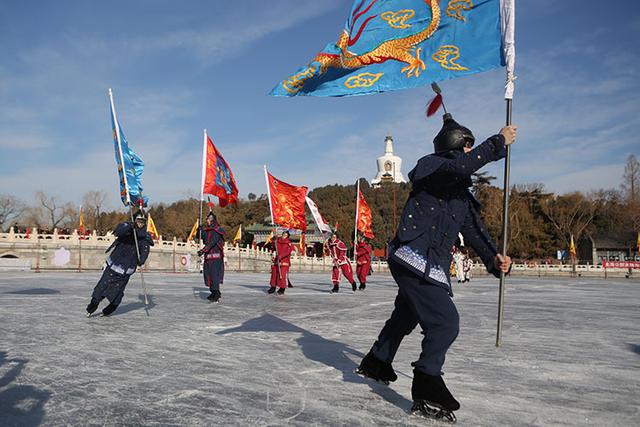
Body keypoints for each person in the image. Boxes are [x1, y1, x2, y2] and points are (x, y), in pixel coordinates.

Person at [356, 112, 515, 422]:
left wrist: (494, 258)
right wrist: (497, 143)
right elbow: (459, 166)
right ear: (453, 146)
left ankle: (378, 360)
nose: (470, 153)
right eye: (468, 147)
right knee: (444, 323)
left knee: (406, 314)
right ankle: (428, 384)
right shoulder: (432, 167)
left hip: (433, 262)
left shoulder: (461, 196)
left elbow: (474, 231)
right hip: (412, 257)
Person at [86, 210, 153, 316]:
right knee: (101, 287)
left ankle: (110, 309)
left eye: (142, 222)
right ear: (134, 220)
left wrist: (141, 259)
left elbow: (144, 252)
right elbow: (119, 231)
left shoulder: (144, 238)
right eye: (138, 221)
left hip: (126, 270)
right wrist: (130, 226)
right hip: (113, 266)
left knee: (117, 292)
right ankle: (93, 305)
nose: (140, 224)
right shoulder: (126, 230)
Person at [197, 212, 225, 303]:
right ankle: (213, 292)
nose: (207, 221)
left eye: (208, 220)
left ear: (212, 220)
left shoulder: (218, 230)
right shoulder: (208, 230)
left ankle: (216, 293)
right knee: (208, 275)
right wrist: (199, 229)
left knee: (214, 276)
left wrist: (203, 250)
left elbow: (212, 242)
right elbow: (200, 237)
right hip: (208, 257)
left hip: (215, 257)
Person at [268, 231, 293, 295]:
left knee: (281, 275)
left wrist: (281, 256)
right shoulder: (277, 241)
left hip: (284, 261)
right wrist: (273, 241)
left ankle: (282, 288)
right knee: (274, 274)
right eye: (283, 234)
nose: (284, 235)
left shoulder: (288, 243)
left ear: (287, 236)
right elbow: (273, 248)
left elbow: (288, 252)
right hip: (276, 260)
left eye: (286, 235)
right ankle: (273, 287)